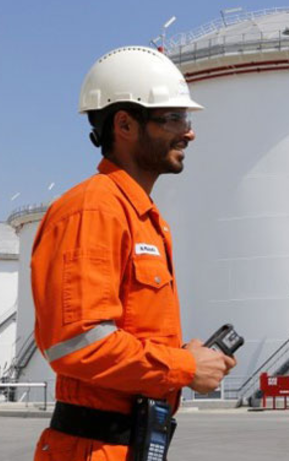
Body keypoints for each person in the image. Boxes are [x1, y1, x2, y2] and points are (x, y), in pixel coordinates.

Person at [32, 46, 236, 460]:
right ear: (124, 124)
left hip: (132, 445)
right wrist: (185, 367)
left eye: (187, 119)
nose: (188, 132)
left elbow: (123, 335)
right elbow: (77, 343)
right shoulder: (93, 210)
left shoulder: (142, 217)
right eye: (173, 118)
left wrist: (182, 356)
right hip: (92, 449)